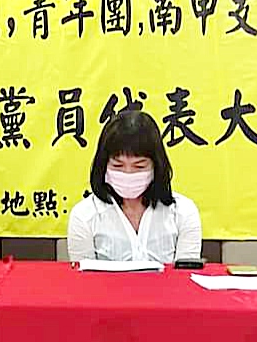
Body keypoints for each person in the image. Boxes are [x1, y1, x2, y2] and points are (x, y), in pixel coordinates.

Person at [67, 110, 202, 264]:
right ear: (103, 166)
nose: (128, 173)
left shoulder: (183, 212)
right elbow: (82, 275)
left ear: (156, 166)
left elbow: (186, 274)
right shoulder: (84, 216)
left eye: (139, 166)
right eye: (118, 166)